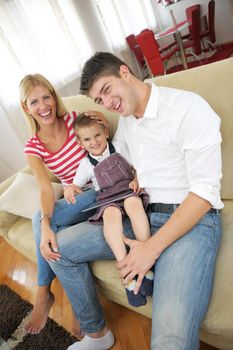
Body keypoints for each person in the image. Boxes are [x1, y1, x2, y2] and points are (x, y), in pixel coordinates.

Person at [48, 52, 223, 350]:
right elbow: (117, 159)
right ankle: (97, 333)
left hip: (189, 221)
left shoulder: (187, 107)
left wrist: (150, 250)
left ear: (125, 72)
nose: (107, 102)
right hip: (138, 213)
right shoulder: (127, 121)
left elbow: (205, 194)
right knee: (58, 250)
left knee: (169, 343)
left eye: (106, 90)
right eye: (99, 100)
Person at [20, 73, 108, 335]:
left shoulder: (75, 121)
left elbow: (104, 145)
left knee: (40, 219)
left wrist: (104, 124)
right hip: (75, 200)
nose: (43, 106)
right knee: (43, 221)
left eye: (46, 97)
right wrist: (47, 224)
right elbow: (46, 189)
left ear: (54, 98)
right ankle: (70, 301)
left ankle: (44, 292)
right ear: (26, 108)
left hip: (101, 192)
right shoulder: (33, 147)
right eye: (34, 101)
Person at [65, 113, 153, 307]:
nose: (94, 142)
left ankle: (145, 254)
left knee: (134, 204)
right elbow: (76, 185)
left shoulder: (119, 148)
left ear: (105, 132)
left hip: (128, 189)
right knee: (110, 216)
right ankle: (125, 266)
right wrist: (69, 188)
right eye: (87, 139)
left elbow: (137, 166)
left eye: (97, 135)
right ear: (80, 143)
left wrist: (137, 179)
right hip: (107, 198)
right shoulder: (86, 164)